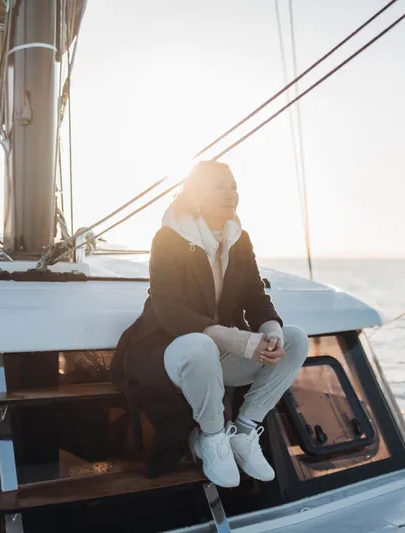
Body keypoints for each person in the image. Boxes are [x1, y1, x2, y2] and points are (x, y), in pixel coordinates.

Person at [111, 161, 309, 487]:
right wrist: (243, 342)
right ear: (197, 195)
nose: (231, 194)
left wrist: (271, 335)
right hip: (168, 354)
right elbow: (170, 310)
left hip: (218, 356)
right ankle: (212, 438)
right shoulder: (168, 238)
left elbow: (257, 300)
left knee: (296, 339)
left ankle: (244, 432)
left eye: (233, 186)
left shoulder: (239, 239)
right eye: (219, 186)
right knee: (200, 344)